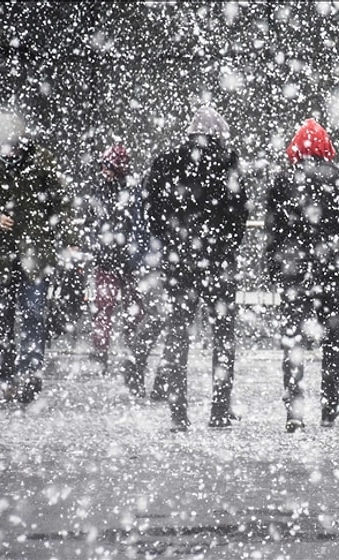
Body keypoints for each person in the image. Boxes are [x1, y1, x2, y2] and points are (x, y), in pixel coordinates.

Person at [0, 111, 77, 404]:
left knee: (34, 312)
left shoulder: (41, 160)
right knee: (1, 315)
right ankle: (8, 373)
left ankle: (29, 373)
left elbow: (62, 200)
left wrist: (66, 237)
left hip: (32, 251)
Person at [142, 105, 247, 430]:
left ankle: (179, 413)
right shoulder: (228, 165)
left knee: (178, 335)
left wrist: (175, 243)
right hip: (218, 263)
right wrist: (223, 245)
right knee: (223, 337)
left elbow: (152, 213)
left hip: (179, 264)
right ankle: (218, 409)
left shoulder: (166, 163)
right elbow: (238, 215)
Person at [263, 118, 339, 432]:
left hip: (295, 274)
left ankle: (294, 411)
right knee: (332, 344)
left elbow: (273, 231)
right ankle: (329, 409)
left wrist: (275, 267)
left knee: (293, 343)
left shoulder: (283, 180)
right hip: (332, 273)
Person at [83, 144, 151, 395]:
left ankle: (122, 349)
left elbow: (96, 221)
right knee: (106, 305)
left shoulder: (124, 190)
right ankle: (108, 351)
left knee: (116, 307)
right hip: (115, 258)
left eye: (108, 166)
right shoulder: (120, 189)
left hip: (121, 259)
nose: (104, 171)